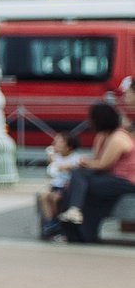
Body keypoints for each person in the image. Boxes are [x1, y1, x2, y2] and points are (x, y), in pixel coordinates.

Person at [57, 98, 135, 243]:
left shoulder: (118, 137)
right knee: (77, 184)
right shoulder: (102, 137)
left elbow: (103, 165)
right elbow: (98, 163)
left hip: (126, 181)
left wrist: (82, 163)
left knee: (77, 176)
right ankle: (80, 233)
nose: (89, 122)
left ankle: (72, 214)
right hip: (111, 179)